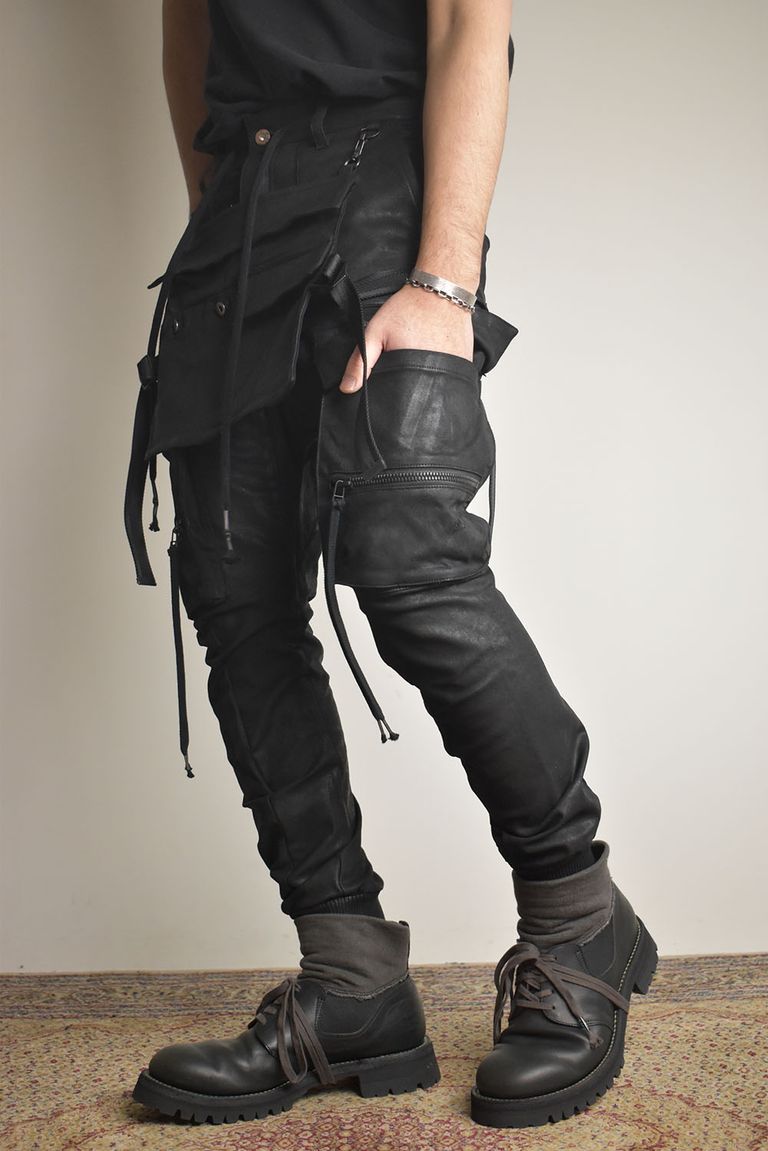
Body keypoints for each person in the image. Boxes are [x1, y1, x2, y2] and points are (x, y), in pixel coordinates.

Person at [126, 0, 657, 1130]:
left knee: (410, 559)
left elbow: (469, 17)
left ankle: (580, 915)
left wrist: (446, 276)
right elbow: (188, 22)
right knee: (235, 596)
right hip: (237, 209)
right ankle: (352, 976)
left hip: (384, 190)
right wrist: (211, 203)